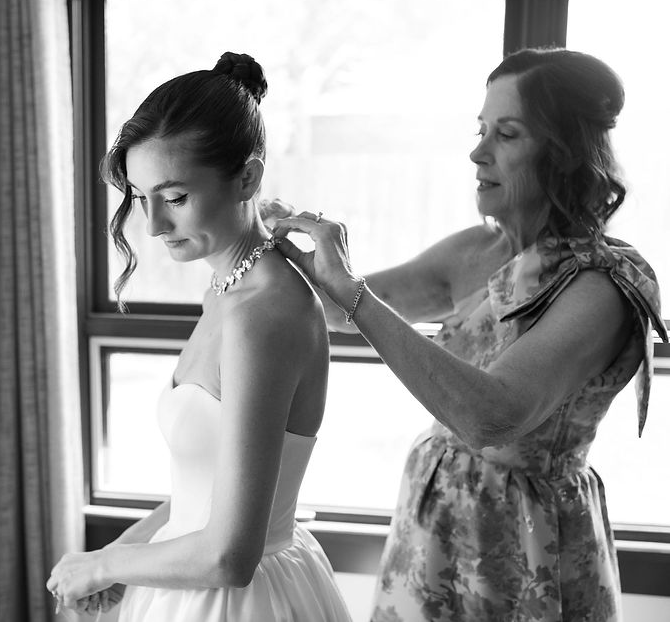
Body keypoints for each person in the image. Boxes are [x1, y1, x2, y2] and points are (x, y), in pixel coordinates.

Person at [271, 47, 667, 621]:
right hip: (431, 530)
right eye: (481, 129)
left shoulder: (600, 287)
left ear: (567, 152)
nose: (477, 152)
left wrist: (354, 292)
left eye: (506, 134)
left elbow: (492, 418)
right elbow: (334, 308)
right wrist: (266, 239)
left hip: (530, 547)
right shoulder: (475, 251)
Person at [46, 52, 352, 621]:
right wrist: (120, 551)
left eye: (176, 197)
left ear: (248, 177)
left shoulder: (266, 313)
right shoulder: (225, 288)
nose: (154, 226)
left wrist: (103, 568)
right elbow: (201, 492)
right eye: (142, 199)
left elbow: (230, 556)